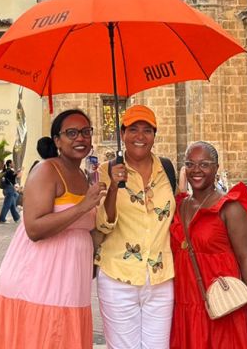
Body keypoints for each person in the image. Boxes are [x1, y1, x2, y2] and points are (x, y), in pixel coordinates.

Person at [0, 109, 106, 349]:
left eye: (85, 132)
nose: (80, 138)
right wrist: (84, 206)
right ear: (57, 140)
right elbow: (34, 228)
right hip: (39, 280)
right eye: (71, 133)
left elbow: (89, 228)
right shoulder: (46, 170)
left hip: (72, 282)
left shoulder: (85, 175)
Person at [170, 141, 247, 348]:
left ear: (216, 168)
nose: (196, 170)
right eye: (190, 164)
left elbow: (246, 260)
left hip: (222, 306)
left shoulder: (229, 208)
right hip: (184, 306)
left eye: (204, 164)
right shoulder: (178, 206)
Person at [96, 105, 177, 349]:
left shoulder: (167, 169)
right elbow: (103, 223)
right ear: (122, 134)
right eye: (133, 129)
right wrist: (112, 185)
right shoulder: (105, 170)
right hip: (118, 277)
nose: (140, 136)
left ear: (154, 135)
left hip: (160, 279)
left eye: (146, 130)